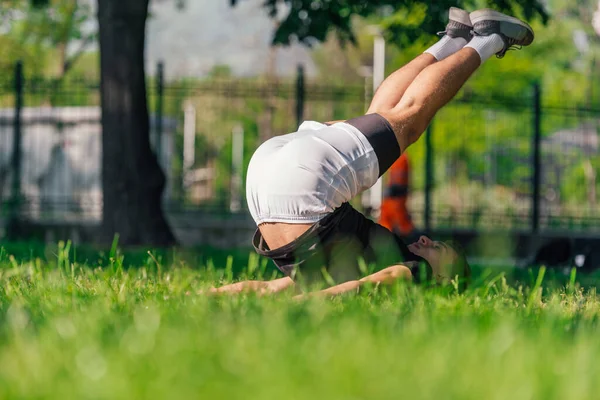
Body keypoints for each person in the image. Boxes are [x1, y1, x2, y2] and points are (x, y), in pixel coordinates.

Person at [210, 8, 534, 297]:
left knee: (410, 117)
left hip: (302, 187)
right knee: (382, 118)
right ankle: (455, 39)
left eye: (436, 248)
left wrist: (302, 303)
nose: (424, 240)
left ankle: (488, 37)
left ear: (442, 278)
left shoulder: (414, 273)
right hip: (270, 187)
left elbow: (370, 284)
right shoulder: (334, 270)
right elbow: (267, 289)